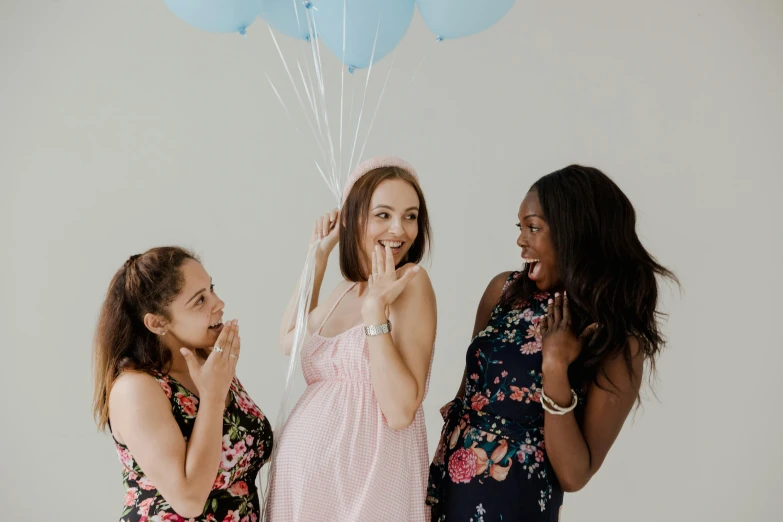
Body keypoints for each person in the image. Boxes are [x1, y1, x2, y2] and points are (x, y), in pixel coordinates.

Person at [427, 165, 677, 521]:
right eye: (521, 228)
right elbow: (466, 400)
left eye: (533, 227)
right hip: (447, 495)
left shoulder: (615, 340)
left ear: (575, 234)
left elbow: (574, 475)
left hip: (514, 508)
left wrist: (555, 367)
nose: (520, 240)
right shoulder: (503, 292)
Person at [267, 157, 437, 521]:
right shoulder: (346, 291)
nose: (400, 229)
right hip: (309, 488)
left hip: (368, 485)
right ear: (353, 217)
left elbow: (400, 410)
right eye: (383, 214)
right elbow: (288, 339)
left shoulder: (410, 282)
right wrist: (318, 254)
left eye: (410, 215)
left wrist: (376, 314)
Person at [93, 246, 273, 521]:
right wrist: (212, 397)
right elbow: (188, 500)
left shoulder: (207, 365)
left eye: (211, 289)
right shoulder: (136, 389)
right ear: (156, 323)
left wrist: (315, 263)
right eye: (199, 300)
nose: (219, 303)